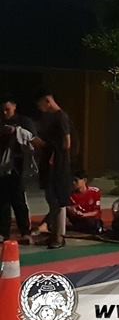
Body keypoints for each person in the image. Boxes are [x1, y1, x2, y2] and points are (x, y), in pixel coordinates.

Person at [36, 92, 72, 249]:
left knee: (56, 200)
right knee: (51, 199)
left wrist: (47, 147)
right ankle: (54, 235)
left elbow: (67, 143)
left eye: (40, 104)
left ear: (47, 101)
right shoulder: (51, 118)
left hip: (57, 165)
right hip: (50, 163)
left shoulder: (61, 117)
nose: (40, 108)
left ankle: (58, 236)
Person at [0, 97, 35, 244]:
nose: (4, 112)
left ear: (14, 106)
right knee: (2, 202)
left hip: (18, 166)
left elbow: (32, 138)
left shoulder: (23, 121)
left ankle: (25, 232)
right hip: (2, 167)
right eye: (2, 109)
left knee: (19, 201)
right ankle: (3, 232)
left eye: (7, 109)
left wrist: (16, 131)